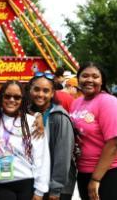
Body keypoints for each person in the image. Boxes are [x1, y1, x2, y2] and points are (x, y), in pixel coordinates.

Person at [70, 62, 117, 200]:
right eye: (85, 76)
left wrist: (95, 179)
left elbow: (115, 143)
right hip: (85, 170)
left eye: (95, 76)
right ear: (78, 79)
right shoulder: (76, 103)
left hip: (113, 171)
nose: (89, 80)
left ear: (102, 81)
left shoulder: (108, 102)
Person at [0, 81, 50, 200]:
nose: (12, 100)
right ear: (1, 97)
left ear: (22, 99)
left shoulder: (32, 123)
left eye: (17, 97)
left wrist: (40, 190)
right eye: (7, 96)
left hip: (25, 184)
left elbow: (42, 157)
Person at [27, 72, 76, 200]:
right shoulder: (27, 113)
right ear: (30, 90)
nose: (40, 94)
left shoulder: (59, 117)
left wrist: (55, 189)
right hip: (35, 184)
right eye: (36, 89)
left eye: (45, 91)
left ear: (52, 93)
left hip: (55, 189)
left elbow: (63, 155)